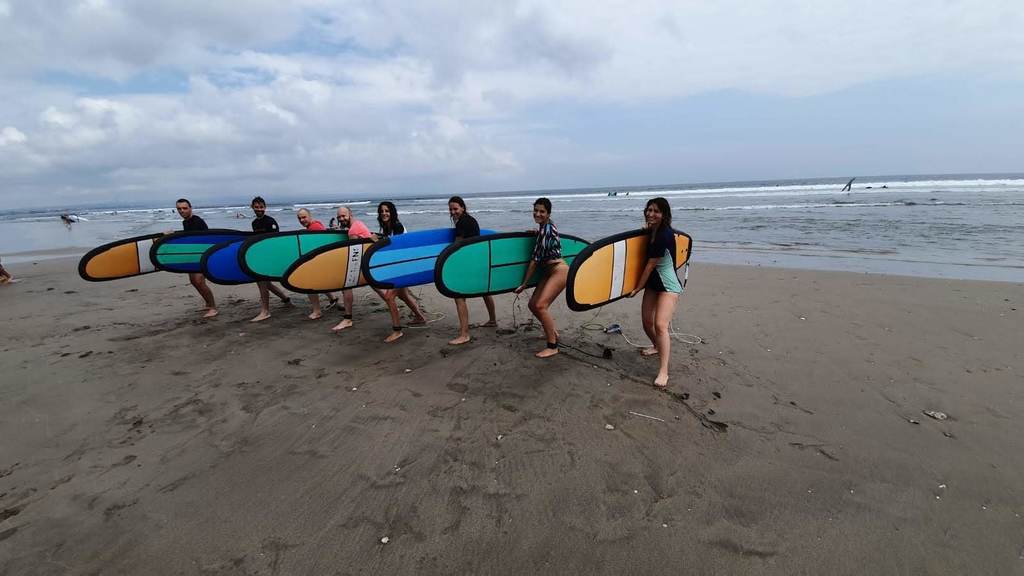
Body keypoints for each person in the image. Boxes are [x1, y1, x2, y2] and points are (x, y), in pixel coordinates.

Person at [627, 197, 683, 387]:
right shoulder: (653, 231)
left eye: (656, 211)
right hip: (653, 284)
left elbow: (650, 266)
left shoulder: (664, 236)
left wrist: (636, 288)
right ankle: (657, 346)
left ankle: (663, 371)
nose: (651, 214)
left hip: (668, 286)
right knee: (646, 322)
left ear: (664, 215)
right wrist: (646, 229)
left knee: (660, 325)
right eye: (648, 210)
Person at [513, 198, 566, 358]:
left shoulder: (545, 230)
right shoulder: (546, 227)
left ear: (548, 213)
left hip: (559, 271)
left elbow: (535, 261)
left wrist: (524, 284)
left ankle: (552, 346)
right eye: (535, 210)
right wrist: (537, 232)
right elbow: (547, 237)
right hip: (549, 271)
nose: (538, 213)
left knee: (541, 306)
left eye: (542, 211)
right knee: (533, 305)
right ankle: (551, 332)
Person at [371, 201, 428, 343]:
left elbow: (395, 247)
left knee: (390, 297)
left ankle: (397, 331)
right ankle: (420, 317)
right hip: (399, 266)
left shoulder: (397, 226)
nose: (384, 213)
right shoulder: (387, 227)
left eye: (387, 211)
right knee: (402, 295)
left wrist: (376, 242)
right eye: (382, 211)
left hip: (405, 266)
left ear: (392, 212)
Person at [446, 196, 496, 345]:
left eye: (455, 208)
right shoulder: (470, 219)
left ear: (463, 207)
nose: (453, 212)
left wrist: (446, 259)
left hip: (470, 262)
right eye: (451, 209)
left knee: (458, 295)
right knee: (485, 291)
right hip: (479, 260)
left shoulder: (462, 222)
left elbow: (458, 244)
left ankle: (464, 334)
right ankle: (492, 320)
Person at [330, 206, 375, 332]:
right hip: (371, 261)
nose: (341, 218)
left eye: (343, 216)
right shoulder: (358, 223)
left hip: (365, 263)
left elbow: (354, 253)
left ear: (350, 214)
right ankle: (393, 304)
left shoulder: (352, 231)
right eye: (339, 216)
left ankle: (348, 319)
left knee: (346, 285)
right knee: (378, 287)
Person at [249, 197, 291, 322]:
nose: (259, 209)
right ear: (252, 207)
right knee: (266, 283)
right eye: (256, 207)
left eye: (261, 207)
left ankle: (265, 311)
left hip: (270, 257)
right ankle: (285, 299)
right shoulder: (254, 223)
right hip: (261, 256)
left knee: (261, 282)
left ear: (265, 207)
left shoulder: (270, 222)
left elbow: (276, 241)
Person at [175, 199, 218, 318]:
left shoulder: (197, 221)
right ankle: (208, 304)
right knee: (193, 281)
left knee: (199, 281)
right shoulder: (186, 222)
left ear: (190, 208)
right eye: (179, 209)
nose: (182, 211)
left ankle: (213, 307)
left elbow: (207, 240)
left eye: (184, 208)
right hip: (192, 255)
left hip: (201, 255)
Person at [296, 208, 339, 320]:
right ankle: (333, 298)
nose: (302, 220)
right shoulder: (314, 225)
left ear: (310, 216)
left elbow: (321, 244)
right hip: (322, 260)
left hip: (321, 261)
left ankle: (317, 311)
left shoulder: (314, 227)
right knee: (316, 282)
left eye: (304, 217)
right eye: (299, 218)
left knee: (308, 283)